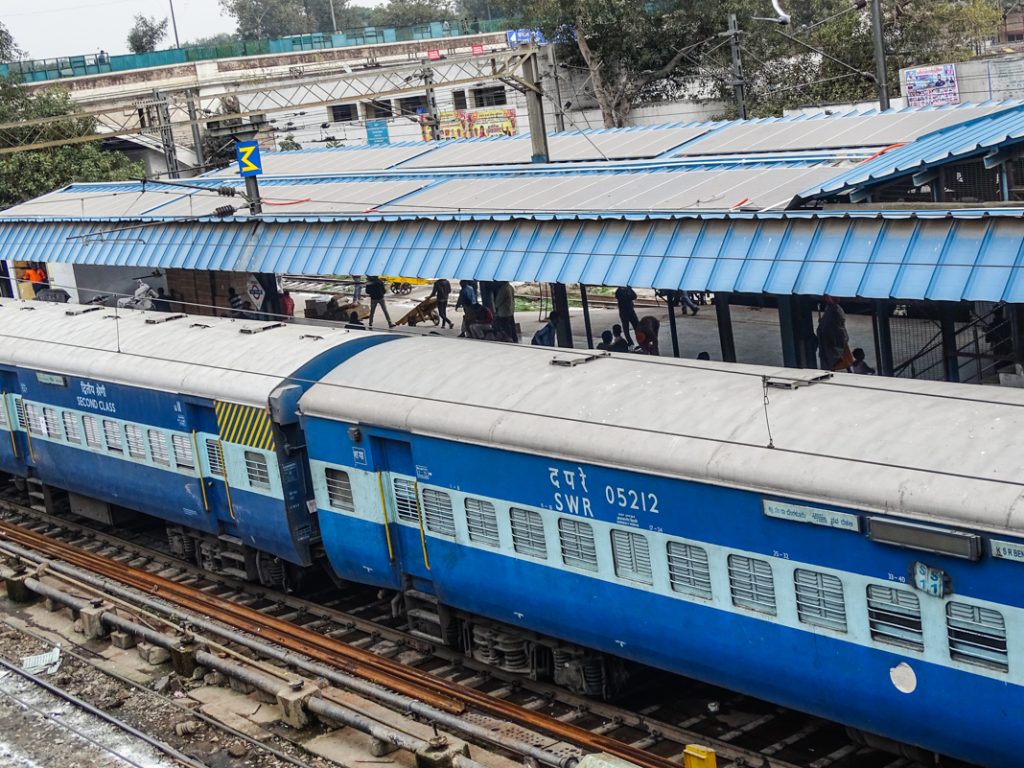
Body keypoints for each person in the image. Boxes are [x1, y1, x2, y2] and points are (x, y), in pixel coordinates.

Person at [816, 294, 849, 371]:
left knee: (834, 369)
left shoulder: (835, 310)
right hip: (829, 348)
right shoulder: (832, 309)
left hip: (833, 349)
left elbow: (840, 331)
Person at [986, 304, 1013, 371]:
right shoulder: (1007, 323)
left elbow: (988, 339)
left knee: (998, 366)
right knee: (1008, 365)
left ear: (994, 314)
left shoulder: (991, 325)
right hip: (1008, 346)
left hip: (998, 348)